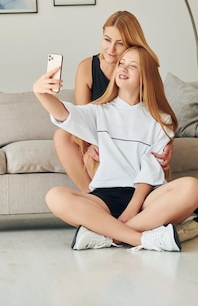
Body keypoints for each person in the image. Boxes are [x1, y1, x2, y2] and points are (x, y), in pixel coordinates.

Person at [33, 46, 198, 252]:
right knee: (55, 196)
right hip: (104, 197)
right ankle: (142, 239)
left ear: (145, 78)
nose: (123, 68)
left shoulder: (162, 120)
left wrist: (133, 207)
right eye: (122, 63)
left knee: (193, 187)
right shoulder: (98, 112)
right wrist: (40, 93)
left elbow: (151, 169)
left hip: (146, 199)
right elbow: (63, 114)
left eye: (133, 66)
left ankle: (108, 234)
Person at [54, 11, 173, 193]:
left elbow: (159, 116)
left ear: (132, 44)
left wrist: (169, 144)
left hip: (134, 140)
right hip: (99, 136)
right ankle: (94, 200)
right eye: (107, 40)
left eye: (120, 43)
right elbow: (81, 117)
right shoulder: (87, 67)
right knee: (62, 135)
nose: (111, 49)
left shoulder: (144, 68)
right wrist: (91, 145)